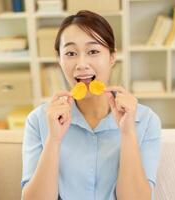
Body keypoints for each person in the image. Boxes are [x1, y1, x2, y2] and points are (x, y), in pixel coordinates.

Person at [21, 10, 161, 200]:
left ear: (112, 57)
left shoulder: (145, 120)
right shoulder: (38, 120)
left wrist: (128, 133)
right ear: (59, 60)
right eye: (70, 53)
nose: (81, 64)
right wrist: (53, 140)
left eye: (93, 51)